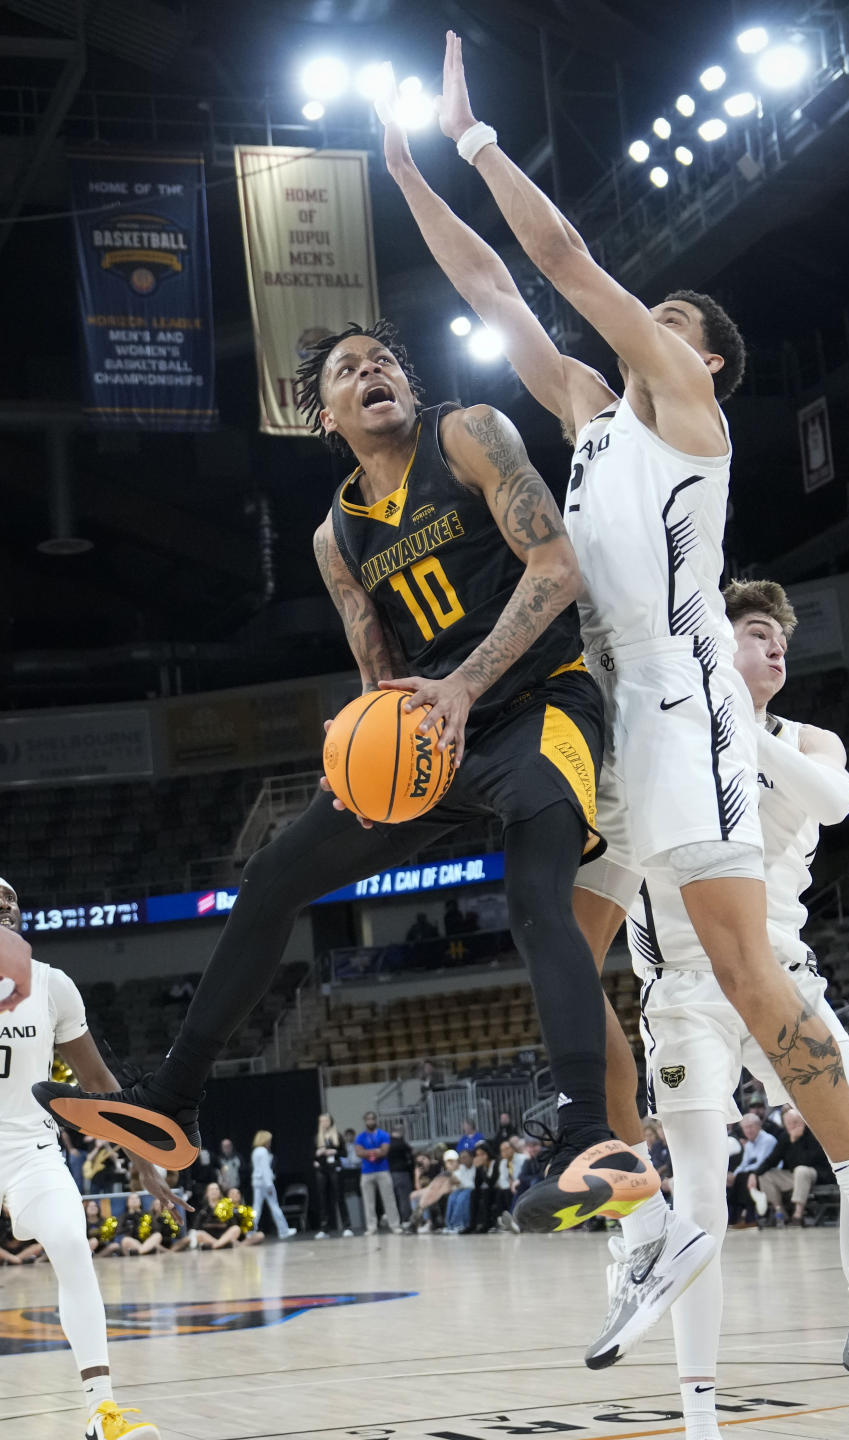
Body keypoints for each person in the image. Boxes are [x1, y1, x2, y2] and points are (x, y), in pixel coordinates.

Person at [375, 36, 849, 1367]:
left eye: (668, 320)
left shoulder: (691, 411)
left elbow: (566, 265)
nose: (642, 325)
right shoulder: (586, 411)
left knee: (742, 965)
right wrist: (401, 169)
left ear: (702, 362)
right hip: (619, 709)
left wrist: (474, 140)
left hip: (686, 696)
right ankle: (646, 1215)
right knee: (567, 946)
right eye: (650, 322)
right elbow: (491, 281)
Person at [35, 310, 657, 1232]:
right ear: (325, 417)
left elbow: (556, 567)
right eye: (348, 372)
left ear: (407, 384)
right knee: (275, 877)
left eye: (384, 362)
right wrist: (362, 763)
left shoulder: (469, 433)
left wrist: (461, 684)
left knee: (537, 901)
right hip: (432, 743)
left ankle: (588, 1142)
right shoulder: (336, 537)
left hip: (542, 705)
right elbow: (376, 672)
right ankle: (174, 1097)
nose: (373, 373)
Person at [590, 583, 849, 1438]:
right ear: (717, 639)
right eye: (757, 632)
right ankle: (701, 1421)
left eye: (783, 638)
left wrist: (736, 726)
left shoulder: (808, 738)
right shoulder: (656, 738)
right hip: (684, 994)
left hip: (784, 978)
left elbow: (837, 802)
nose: (777, 647)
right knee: (699, 1211)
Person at [0, 876, 176, 1439]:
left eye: (12, 905)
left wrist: (141, 1155)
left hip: (29, 1150)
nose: (5, 911)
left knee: (74, 1244)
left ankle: (102, 1414)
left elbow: (98, 1083)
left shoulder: (52, 985)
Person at [754, 1107, 829, 1226]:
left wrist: (795, 1141)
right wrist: (754, 1174)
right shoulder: (785, 1136)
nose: (792, 1126)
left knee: (801, 1170)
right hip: (793, 1175)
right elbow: (772, 1160)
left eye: (795, 1122)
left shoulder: (813, 1134)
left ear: (803, 1122)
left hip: (815, 1174)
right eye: (788, 1123)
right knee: (765, 1175)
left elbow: (807, 1161)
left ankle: (798, 1215)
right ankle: (780, 1211)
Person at [355, 1111, 402, 1236]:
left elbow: (384, 1151)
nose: (370, 1121)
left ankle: (395, 1225)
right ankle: (371, 1227)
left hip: (382, 1170)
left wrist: (368, 1152)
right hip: (367, 1171)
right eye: (368, 1119)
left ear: (376, 1120)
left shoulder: (383, 1135)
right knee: (368, 1201)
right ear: (365, 1121)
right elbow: (359, 1152)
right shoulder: (360, 1137)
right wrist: (375, 1151)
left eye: (372, 1119)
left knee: (389, 1199)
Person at [726, 1114, 777, 1227]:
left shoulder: (767, 1140)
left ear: (759, 1126)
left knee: (744, 1177)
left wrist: (739, 1174)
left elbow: (761, 1164)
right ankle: (735, 1218)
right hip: (752, 1174)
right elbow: (743, 1164)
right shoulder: (749, 1145)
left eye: (751, 1126)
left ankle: (749, 1218)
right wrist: (733, 1175)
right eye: (745, 1127)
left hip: (767, 1174)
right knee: (734, 1178)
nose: (748, 1130)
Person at [313, 1113, 352, 1238]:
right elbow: (311, 1155)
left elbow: (344, 1153)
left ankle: (346, 1226)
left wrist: (334, 1151)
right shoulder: (317, 1137)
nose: (324, 1123)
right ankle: (324, 1228)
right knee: (323, 1198)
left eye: (326, 1121)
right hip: (322, 1169)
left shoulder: (337, 1136)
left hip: (335, 1168)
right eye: (322, 1121)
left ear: (330, 1122)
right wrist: (317, 1155)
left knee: (339, 1196)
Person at [250, 1131, 294, 1239]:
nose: (270, 1142)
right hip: (265, 1183)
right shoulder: (264, 1152)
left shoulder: (255, 1151)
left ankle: (250, 1231)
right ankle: (283, 1230)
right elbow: (265, 1169)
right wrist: (269, 1185)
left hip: (257, 1182)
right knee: (274, 1206)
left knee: (256, 1207)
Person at [387, 1120, 416, 1222]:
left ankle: (396, 1219)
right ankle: (406, 1219)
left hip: (391, 1173)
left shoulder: (387, 1143)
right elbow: (411, 1153)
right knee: (404, 1197)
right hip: (402, 1173)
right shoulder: (401, 1144)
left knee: (395, 1198)